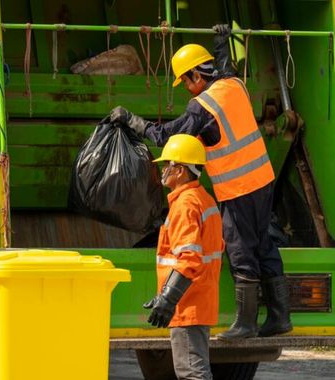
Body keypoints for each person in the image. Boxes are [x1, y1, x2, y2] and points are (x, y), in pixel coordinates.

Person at [111, 24, 292, 340]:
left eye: (185, 82)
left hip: (238, 187)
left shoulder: (202, 106)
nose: (187, 89)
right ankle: (280, 317)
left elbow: (169, 136)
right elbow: (225, 67)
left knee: (239, 248)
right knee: (263, 243)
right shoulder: (234, 85)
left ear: (196, 75)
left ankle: (246, 324)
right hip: (263, 180)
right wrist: (221, 42)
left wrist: (131, 120)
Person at [143, 133, 223, 379]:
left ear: (181, 170)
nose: (164, 170)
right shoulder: (203, 200)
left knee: (192, 373)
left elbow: (189, 258)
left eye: (168, 164)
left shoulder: (184, 205)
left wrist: (168, 299)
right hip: (198, 301)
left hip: (188, 305)